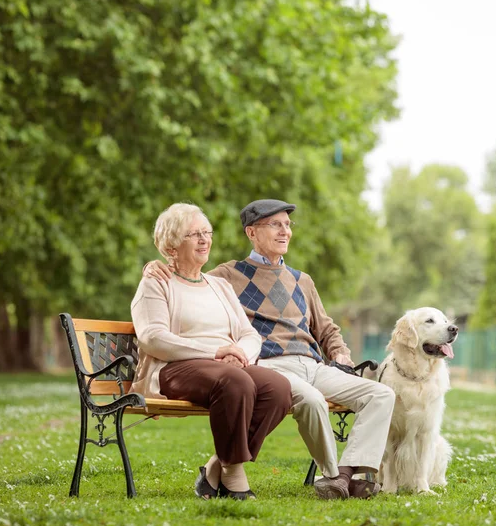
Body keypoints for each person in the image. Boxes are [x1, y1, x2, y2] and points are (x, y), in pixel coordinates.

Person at [146, 199, 395, 500]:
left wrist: (339, 351)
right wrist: (156, 264)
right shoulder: (228, 275)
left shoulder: (303, 280)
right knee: (313, 401)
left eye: (288, 225)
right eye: (275, 224)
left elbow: (327, 328)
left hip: (313, 365)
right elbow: (188, 277)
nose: (285, 231)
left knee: (381, 394)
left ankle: (345, 474)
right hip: (270, 365)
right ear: (251, 233)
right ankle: (332, 477)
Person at [132, 203, 292, 501]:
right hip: (177, 367)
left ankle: (216, 465)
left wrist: (238, 353)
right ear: (172, 243)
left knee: (278, 388)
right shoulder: (155, 282)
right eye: (194, 234)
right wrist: (216, 352)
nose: (205, 239)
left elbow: (248, 334)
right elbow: (153, 338)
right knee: (236, 382)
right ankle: (233, 474)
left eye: (207, 233)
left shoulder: (219, 285)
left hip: (227, 366)